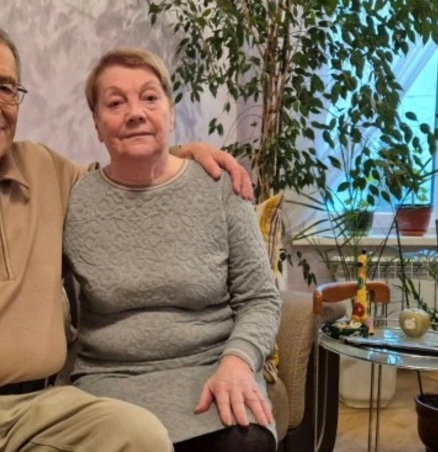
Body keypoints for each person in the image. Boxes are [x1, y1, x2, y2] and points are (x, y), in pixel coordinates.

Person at [0, 16, 253, 452]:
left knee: (141, 436)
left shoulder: (45, 169)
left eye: (5, 88)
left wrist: (180, 154)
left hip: (44, 408)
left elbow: (121, 179)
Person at [62, 48, 282, 452]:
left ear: (171, 113)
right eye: (115, 103)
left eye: (150, 97)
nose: (135, 113)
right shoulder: (72, 199)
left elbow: (261, 299)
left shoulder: (220, 187)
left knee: (245, 446)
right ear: (97, 125)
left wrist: (238, 361)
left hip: (214, 370)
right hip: (109, 383)